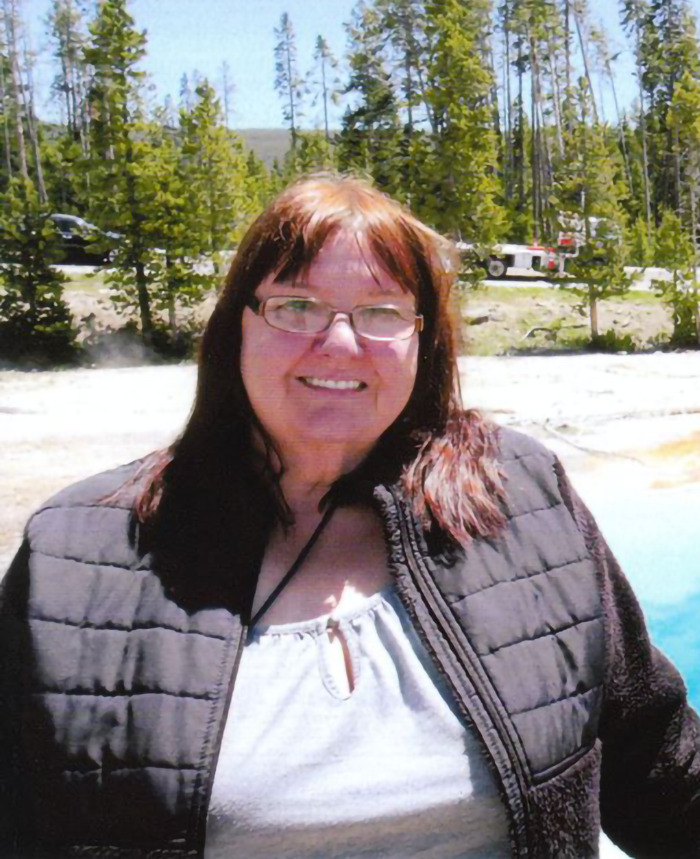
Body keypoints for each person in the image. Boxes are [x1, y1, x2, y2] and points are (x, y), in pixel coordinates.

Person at [1, 175, 698, 859]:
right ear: (237, 325)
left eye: (381, 312)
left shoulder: (521, 499)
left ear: (423, 341)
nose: (339, 343)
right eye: (296, 306)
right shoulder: (78, 554)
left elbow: (657, 764)